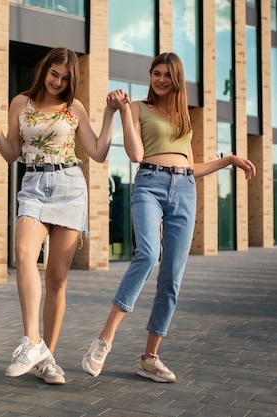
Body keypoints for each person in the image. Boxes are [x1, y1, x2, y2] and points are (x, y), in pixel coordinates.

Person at [82, 52, 256, 383]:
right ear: (151, 76)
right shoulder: (137, 109)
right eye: (156, 73)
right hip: (149, 183)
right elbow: (135, 154)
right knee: (148, 254)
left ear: (176, 80)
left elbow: (189, 167)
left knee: (172, 278)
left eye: (167, 75)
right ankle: (104, 339)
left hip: (185, 189)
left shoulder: (184, 119)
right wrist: (121, 112)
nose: (161, 79)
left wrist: (228, 160)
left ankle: (149, 357)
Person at [0, 47, 128, 385]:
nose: (58, 82)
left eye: (65, 78)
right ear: (44, 70)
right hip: (33, 184)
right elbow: (11, 154)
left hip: (70, 187)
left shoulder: (73, 107)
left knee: (57, 279)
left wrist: (109, 114)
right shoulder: (21, 103)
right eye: (54, 74)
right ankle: (32, 341)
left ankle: (48, 359)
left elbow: (99, 152)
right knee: (23, 255)